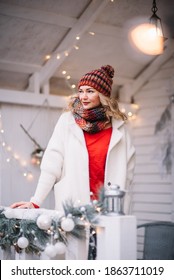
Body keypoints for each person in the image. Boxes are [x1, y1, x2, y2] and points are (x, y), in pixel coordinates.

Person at [11, 65, 135, 215]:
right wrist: (35, 201)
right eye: (81, 91)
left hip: (110, 210)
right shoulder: (67, 122)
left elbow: (128, 174)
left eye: (90, 91)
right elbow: (51, 164)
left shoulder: (120, 128)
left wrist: (123, 208)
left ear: (102, 95)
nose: (83, 97)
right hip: (73, 209)